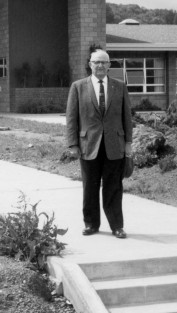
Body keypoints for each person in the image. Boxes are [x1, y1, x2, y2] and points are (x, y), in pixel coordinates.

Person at [65, 49, 133, 238]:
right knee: (90, 187)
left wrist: (128, 143)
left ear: (110, 65)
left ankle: (117, 226)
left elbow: (127, 117)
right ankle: (91, 224)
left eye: (104, 62)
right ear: (90, 64)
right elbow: (71, 118)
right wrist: (72, 144)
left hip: (114, 145)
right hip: (89, 145)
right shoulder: (78, 87)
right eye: (97, 62)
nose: (101, 65)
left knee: (114, 187)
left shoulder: (119, 87)